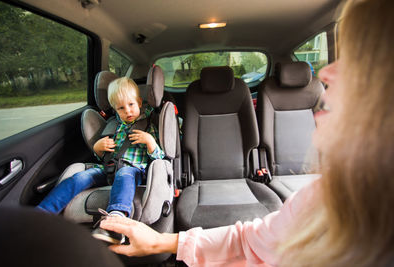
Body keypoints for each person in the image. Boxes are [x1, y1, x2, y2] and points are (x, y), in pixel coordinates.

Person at [99, 0, 394, 266]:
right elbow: (250, 241)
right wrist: (160, 242)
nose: (325, 74)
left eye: (359, 56)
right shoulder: (325, 198)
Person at [37, 77, 165, 244]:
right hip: (108, 169)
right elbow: (103, 157)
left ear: (139, 102)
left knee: (124, 173)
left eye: (131, 104)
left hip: (134, 170)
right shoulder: (113, 126)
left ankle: (116, 220)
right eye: (121, 107)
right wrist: (98, 148)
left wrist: (150, 142)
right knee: (79, 177)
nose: (127, 111)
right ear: (115, 109)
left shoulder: (149, 126)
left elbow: (160, 157)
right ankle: (42, 214)